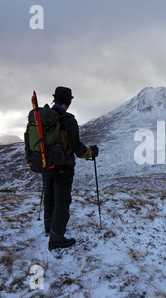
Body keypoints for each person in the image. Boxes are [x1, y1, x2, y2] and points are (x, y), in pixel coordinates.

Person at [42, 86, 99, 251]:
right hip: (63, 168)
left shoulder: (44, 118)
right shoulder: (68, 120)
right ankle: (56, 239)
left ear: (55, 99)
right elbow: (78, 149)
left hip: (46, 165)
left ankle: (48, 228)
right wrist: (92, 152)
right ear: (68, 102)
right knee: (62, 201)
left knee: (49, 197)